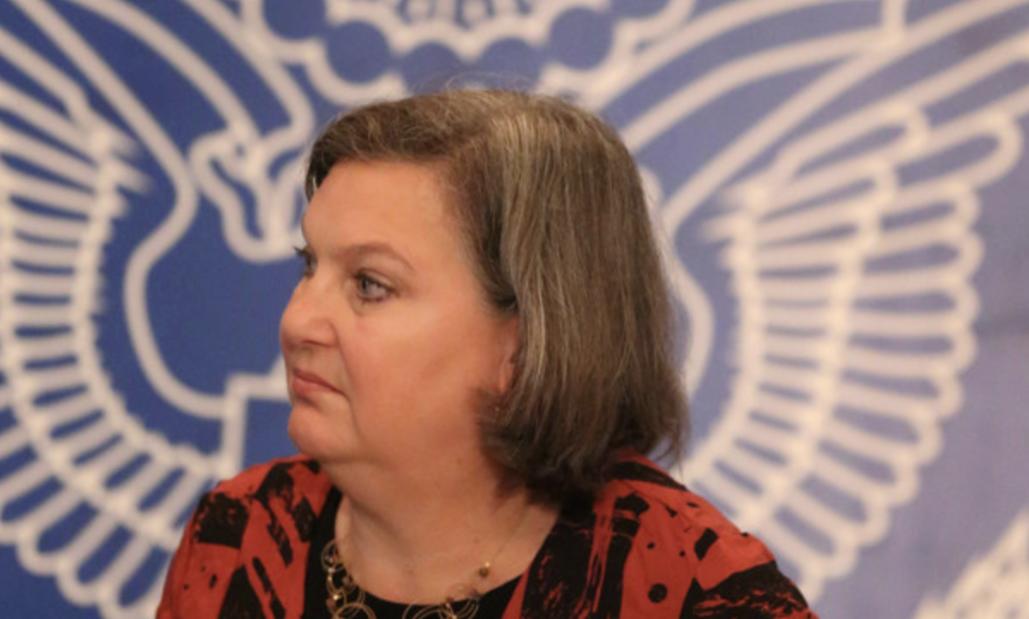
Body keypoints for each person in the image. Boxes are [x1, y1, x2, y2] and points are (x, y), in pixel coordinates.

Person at [157, 89, 817, 618]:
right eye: (309, 266)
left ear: (526, 341)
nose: (297, 321)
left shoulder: (695, 591)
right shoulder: (238, 534)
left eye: (369, 285)